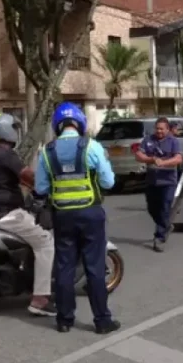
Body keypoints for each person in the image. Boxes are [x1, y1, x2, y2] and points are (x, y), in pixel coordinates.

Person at [34, 103, 121, 334]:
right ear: (80, 123)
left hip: (62, 216)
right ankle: (102, 321)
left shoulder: (46, 151)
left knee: (64, 268)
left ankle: (64, 320)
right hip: (90, 214)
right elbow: (108, 183)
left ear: (57, 125)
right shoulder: (91, 147)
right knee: (94, 267)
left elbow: (41, 188)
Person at [0, 113, 55, 316]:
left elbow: (16, 180)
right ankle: (40, 299)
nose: (16, 131)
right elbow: (28, 175)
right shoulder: (6, 154)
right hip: (6, 214)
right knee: (45, 242)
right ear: (6, 130)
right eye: (14, 127)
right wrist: (49, 183)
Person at [134, 116, 183, 252]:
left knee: (165, 207)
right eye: (157, 128)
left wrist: (164, 163)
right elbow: (138, 155)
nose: (159, 131)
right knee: (152, 208)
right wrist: (151, 159)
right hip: (152, 181)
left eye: (162, 129)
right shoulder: (148, 140)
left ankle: (159, 237)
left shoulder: (173, 141)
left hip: (168, 182)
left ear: (168, 129)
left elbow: (178, 158)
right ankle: (166, 225)